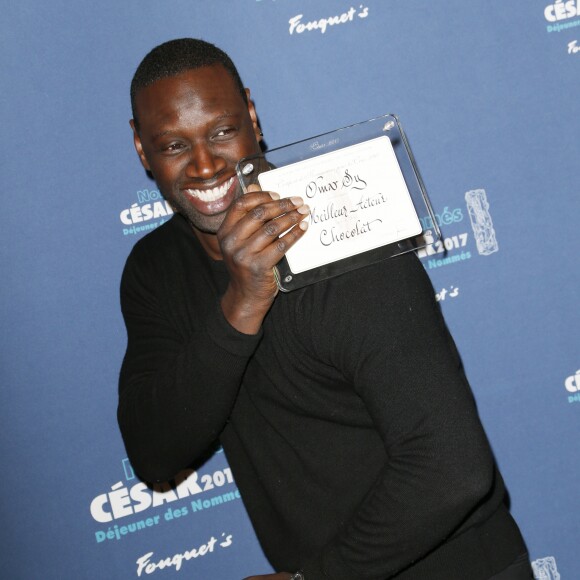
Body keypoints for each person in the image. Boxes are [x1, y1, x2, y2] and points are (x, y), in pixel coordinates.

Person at [118, 38, 532, 579]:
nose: (204, 165)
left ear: (251, 114)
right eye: (173, 145)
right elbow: (155, 455)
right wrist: (240, 304)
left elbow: (452, 467)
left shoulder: (348, 227)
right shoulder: (155, 270)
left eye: (222, 131)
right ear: (141, 149)